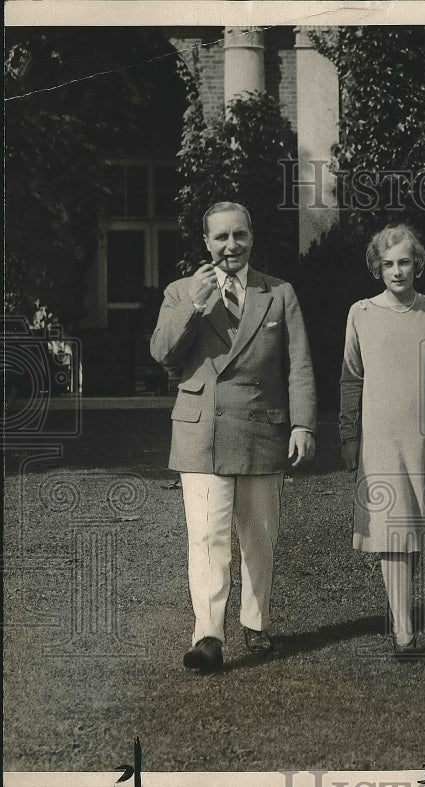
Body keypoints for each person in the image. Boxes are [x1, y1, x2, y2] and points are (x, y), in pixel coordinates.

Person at [150, 201, 317, 673]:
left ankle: (256, 621)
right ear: (205, 242)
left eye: (238, 235)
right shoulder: (181, 291)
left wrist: (302, 423)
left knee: (259, 535)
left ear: (251, 236)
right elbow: (163, 352)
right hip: (201, 429)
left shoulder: (279, 293)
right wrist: (195, 305)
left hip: (261, 427)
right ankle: (208, 635)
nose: (230, 246)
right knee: (206, 537)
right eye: (220, 237)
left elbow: (299, 363)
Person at [339, 223, 425, 654]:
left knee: (414, 531)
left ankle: (403, 615)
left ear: (418, 265)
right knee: (393, 531)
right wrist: (348, 435)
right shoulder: (361, 313)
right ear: (377, 267)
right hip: (379, 439)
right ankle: (404, 629)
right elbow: (351, 378)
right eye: (388, 264)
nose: (397, 271)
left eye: (405, 262)